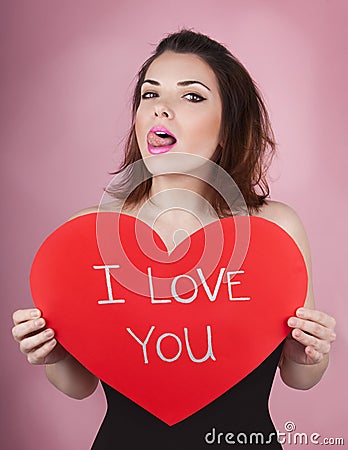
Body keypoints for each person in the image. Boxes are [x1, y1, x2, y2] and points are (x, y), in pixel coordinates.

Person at [12, 29, 336, 449]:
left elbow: (301, 377)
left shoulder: (274, 228)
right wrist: (53, 355)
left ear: (227, 127)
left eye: (192, 96)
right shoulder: (88, 234)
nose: (162, 109)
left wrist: (309, 351)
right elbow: (79, 386)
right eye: (150, 95)